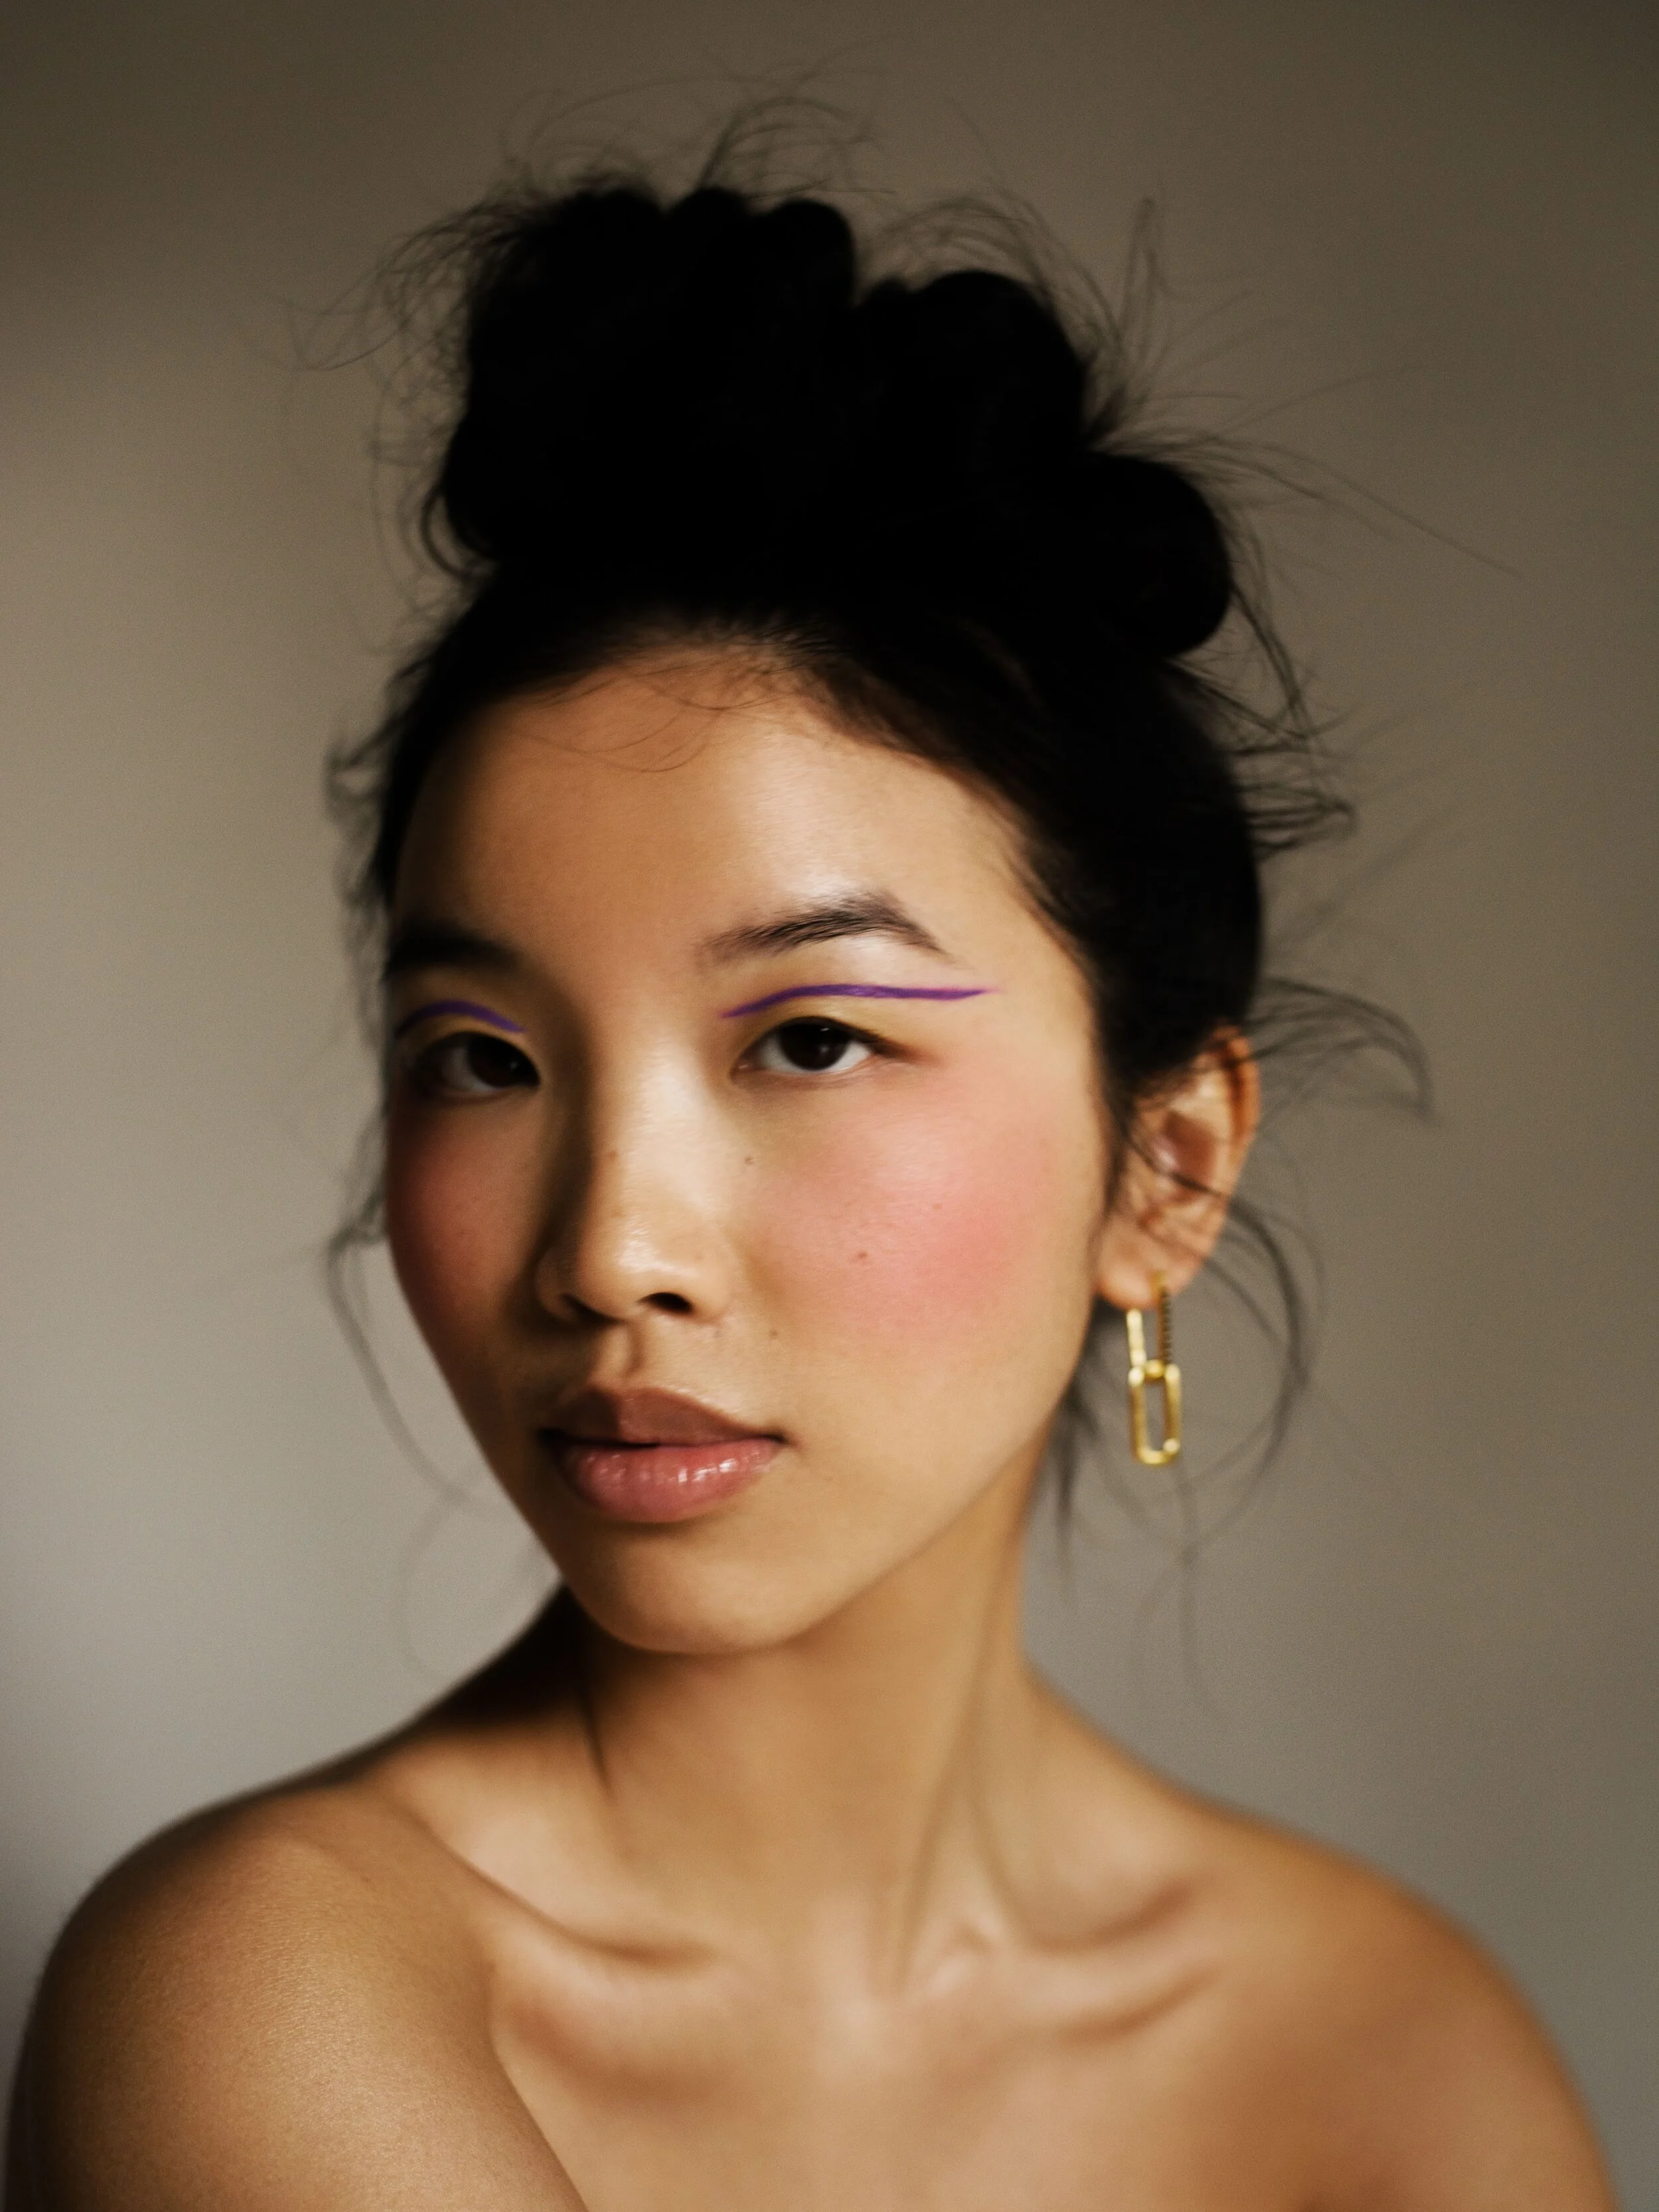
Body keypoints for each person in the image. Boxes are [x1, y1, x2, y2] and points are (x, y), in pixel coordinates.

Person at [5, 153, 1613, 2210]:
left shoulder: (1390, 2055)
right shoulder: (267, 1991)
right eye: (482, 1059)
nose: (609, 1249)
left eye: (810, 1038)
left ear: (1168, 1166)